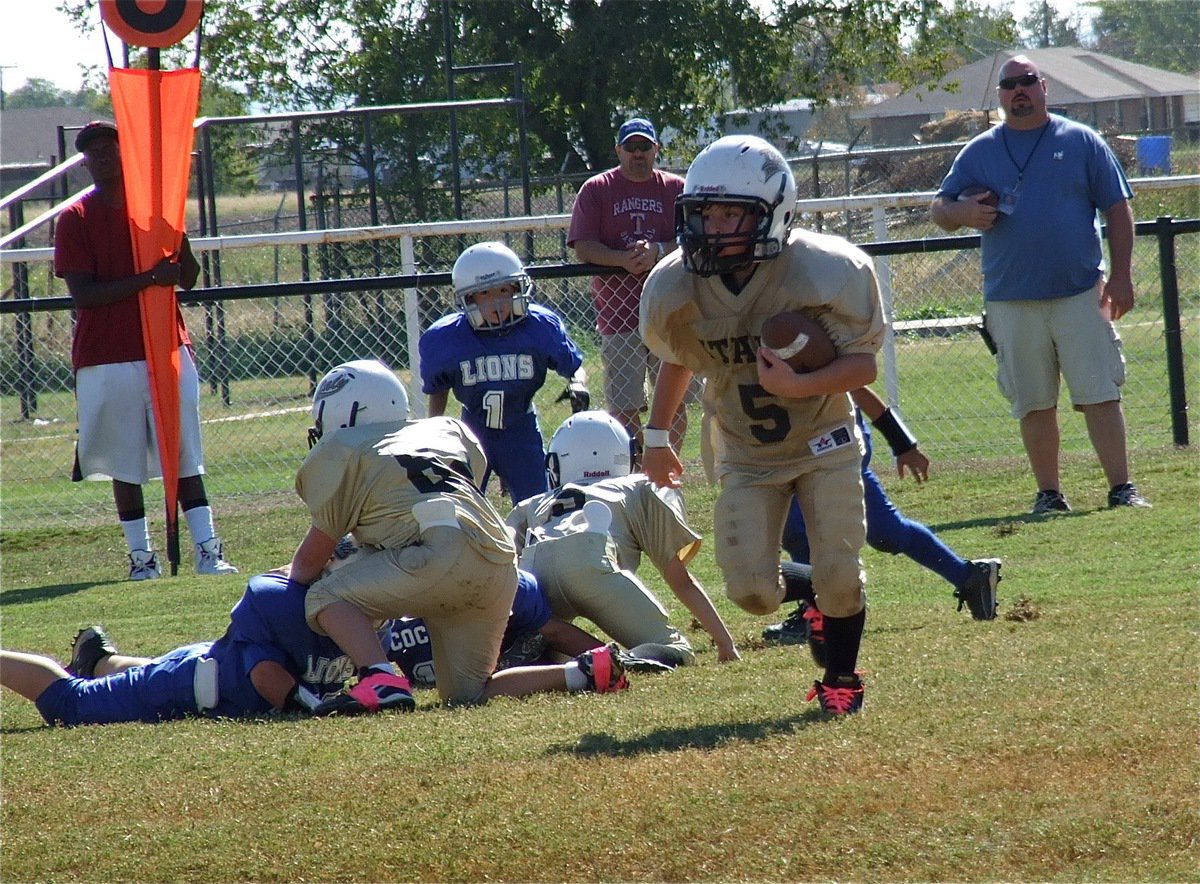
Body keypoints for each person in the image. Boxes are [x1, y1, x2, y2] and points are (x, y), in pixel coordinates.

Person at [639, 134, 885, 716]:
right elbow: (679, 357)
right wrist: (654, 436)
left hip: (824, 440)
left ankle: (841, 678)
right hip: (746, 452)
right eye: (706, 213)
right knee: (750, 592)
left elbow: (864, 363)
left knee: (843, 574)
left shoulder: (825, 269)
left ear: (773, 214)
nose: (716, 227)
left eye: (732, 213)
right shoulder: (677, 285)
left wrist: (798, 385)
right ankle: (816, 598)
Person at [287, 359, 628, 715]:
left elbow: (308, 563)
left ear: (342, 416)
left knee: (324, 595)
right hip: (498, 562)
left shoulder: (344, 449)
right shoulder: (445, 429)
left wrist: (291, 584)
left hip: (435, 555)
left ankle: (379, 678)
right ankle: (582, 673)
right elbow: (471, 474)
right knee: (468, 693)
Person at [929, 55, 1150, 515]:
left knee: (1100, 393)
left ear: (1044, 87)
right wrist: (963, 214)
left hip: (1081, 291)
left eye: (1027, 81)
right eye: (1010, 85)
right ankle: (1049, 494)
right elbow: (940, 209)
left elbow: (1117, 208)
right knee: (1033, 402)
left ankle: (1122, 488)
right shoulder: (980, 151)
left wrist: (1124, 274)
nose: (1019, 90)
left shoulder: (1082, 141)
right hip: (1012, 299)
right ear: (1000, 96)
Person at [53, 120, 237, 580]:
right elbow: (85, 294)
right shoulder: (75, 218)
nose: (101, 158)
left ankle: (207, 550)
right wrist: (148, 279)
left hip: (165, 344)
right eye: (92, 152)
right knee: (124, 461)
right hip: (106, 354)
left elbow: (188, 274)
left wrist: (172, 228)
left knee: (184, 452)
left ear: (124, 151)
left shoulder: (154, 210)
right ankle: (142, 559)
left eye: (109, 148)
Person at [762, 386, 1002, 645]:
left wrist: (903, 442)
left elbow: (855, 384)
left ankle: (815, 615)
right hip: (793, 444)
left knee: (816, 528)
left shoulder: (803, 347)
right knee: (882, 532)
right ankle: (969, 577)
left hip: (836, 442)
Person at [506, 410, 741, 668]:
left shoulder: (532, 504)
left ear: (557, 463)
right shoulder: (635, 487)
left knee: (552, 656)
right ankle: (619, 662)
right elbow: (679, 580)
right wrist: (724, 643)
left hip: (535, 565)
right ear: (625, 455)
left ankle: (542, 655)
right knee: (674, 649)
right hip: (590, 558)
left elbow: (505, 565)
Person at [0, 573, 364, 726]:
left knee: (149, 676)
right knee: (70, 704)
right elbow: (267, 677)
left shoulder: (371, 610)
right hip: (185, 684)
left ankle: (98, 660)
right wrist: (320, 709)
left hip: (207, 671)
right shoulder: (281, 601)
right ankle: (94, 664)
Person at [420, 241, 590, 505]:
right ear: (468, 298)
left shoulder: (539, 327)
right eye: (485, 294)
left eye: (504, 291)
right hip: (472, 430)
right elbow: (438, 388)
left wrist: (578, 383)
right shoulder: (447, 338)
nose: (497, 303)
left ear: (519, 288)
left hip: (520, 428)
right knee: (461, 506)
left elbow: (574, 366)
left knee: (537, 507)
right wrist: (434, 432)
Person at [567, 117, 700, 454]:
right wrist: (621, 259)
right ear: (619, 150)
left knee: (675, 399)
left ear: (656, 149)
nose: (638, 154)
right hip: (618, 313)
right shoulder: (597, 190)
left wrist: (658, 251)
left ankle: (668, 465)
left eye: (645, 147)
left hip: (668, 310)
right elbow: (583, 244)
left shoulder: (677, 189)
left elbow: (698, 238)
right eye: (631, 147)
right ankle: (638, 469)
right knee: (623, 406)